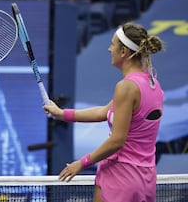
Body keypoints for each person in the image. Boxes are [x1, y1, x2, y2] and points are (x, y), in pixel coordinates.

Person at [44, 22, 164, 202]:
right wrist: (61, 113)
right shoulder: (152, 84)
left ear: (123, 52)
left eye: (112, 44)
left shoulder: (126, 87)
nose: (109, 49)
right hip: (145, 180)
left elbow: (117, 140)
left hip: (120, 177)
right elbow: (104, 112)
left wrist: (81, 163)